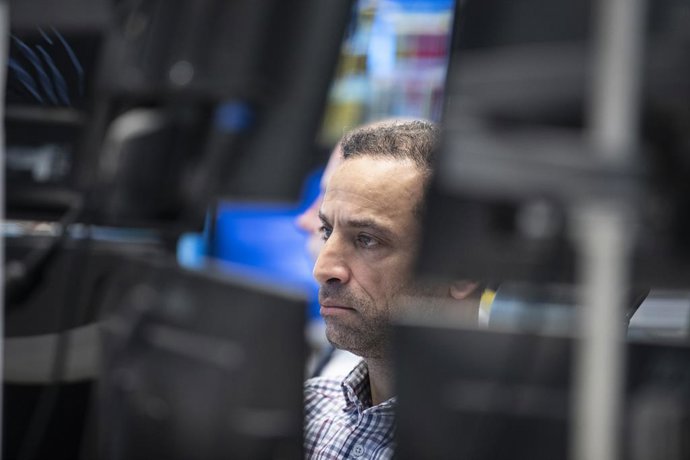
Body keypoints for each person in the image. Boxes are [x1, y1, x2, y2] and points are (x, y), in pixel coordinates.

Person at [303, 119, 482, 459]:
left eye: (367, 239)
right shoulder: (310, 410)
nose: (323, 269)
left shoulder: (494, 443)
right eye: (327, 232)